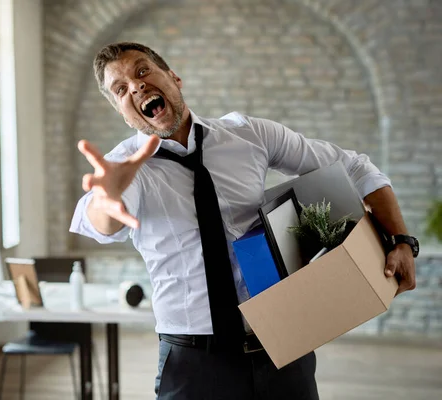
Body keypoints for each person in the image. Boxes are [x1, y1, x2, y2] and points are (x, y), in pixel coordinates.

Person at [69, 42, 417, 399]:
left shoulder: (249, 135)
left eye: (142, 71)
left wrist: (401, 240)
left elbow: (356, 167)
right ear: (122, 113)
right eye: (121, 89)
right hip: (193, 363)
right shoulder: (123, 169)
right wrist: (107, 200)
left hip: (284, 344)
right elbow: (101, 222)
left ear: (174, 77)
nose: (136, 87)